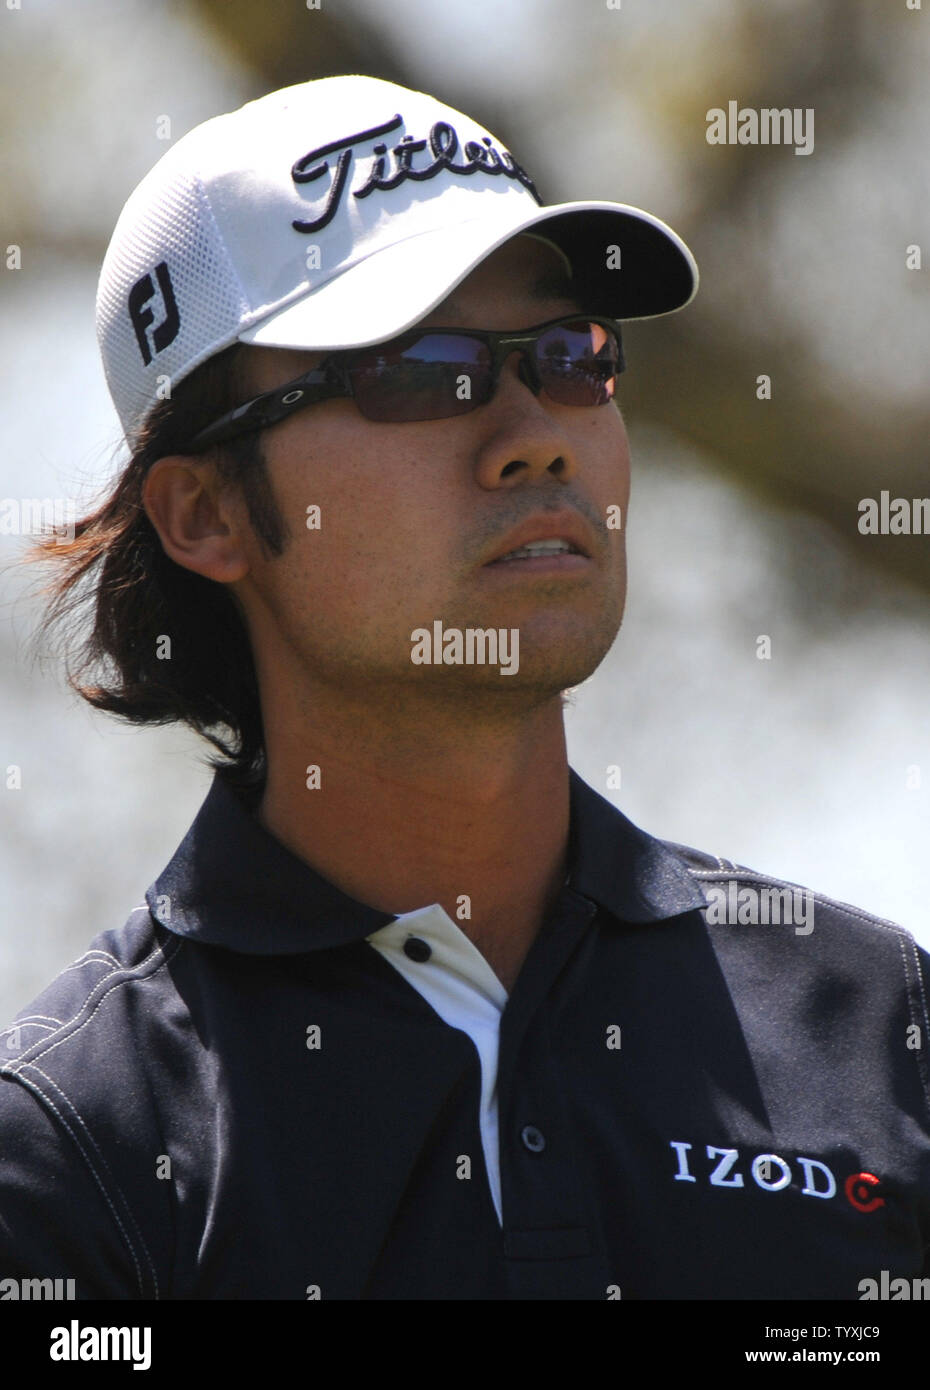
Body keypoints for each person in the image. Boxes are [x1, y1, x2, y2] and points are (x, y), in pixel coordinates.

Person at [1, 74, 928, 1302]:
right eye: (422, 371)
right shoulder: (74, 1147)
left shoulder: (876, 1027)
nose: (533, 431)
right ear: (207, 512)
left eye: (569, 356)